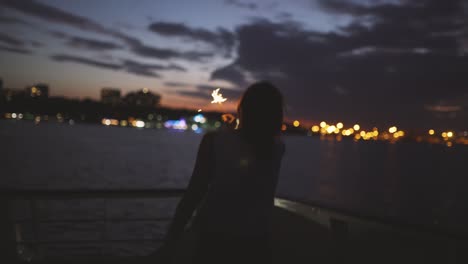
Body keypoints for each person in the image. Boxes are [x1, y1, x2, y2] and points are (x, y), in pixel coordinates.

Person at [157, 81, 285, 263]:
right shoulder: (278, 149)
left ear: (244, 110)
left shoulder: (214, 142)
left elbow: (194, 194)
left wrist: (170, 241)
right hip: (256, 243)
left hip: (215, 239)